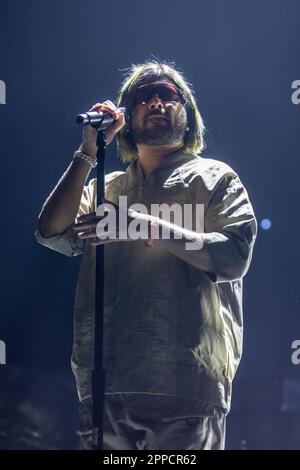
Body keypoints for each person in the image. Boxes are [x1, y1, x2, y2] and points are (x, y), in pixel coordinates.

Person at [35, 60, 257, 450]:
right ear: (125, 117)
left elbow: (233, 256)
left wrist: (141, 225)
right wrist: (88, 151)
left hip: (185, 383)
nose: (155, 102)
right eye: (142, 97)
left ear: (187, 115)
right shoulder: (106, 186)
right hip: (105, 383)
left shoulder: (216, 178)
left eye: (167, 95)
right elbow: (50, 230)